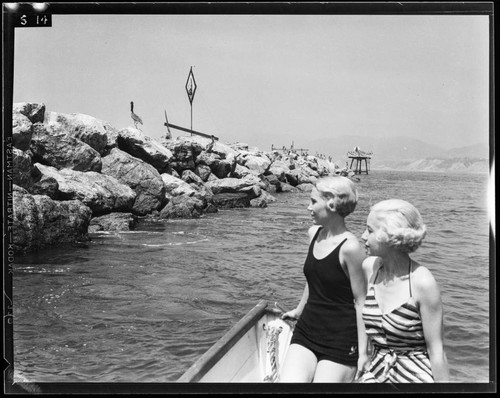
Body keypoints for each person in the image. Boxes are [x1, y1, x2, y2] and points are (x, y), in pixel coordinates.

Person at [280, 175, 369, 382]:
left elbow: (361, 301)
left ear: (331, 204)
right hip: (307, 330)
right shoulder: (314, 233)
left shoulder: (351, 248)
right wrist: (299, 310)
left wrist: (363, 353)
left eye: (313, 201)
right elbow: (315, 280)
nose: (308, 207)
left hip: (340, 339)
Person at [358, 199, 449, 383]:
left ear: (389, 236)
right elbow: (359, 307)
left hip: (414, 377)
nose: (362, 236)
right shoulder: (370, 268)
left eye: (370, 230)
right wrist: (363, 354)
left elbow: (436, 351)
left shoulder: (422, 282)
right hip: (376, 371)